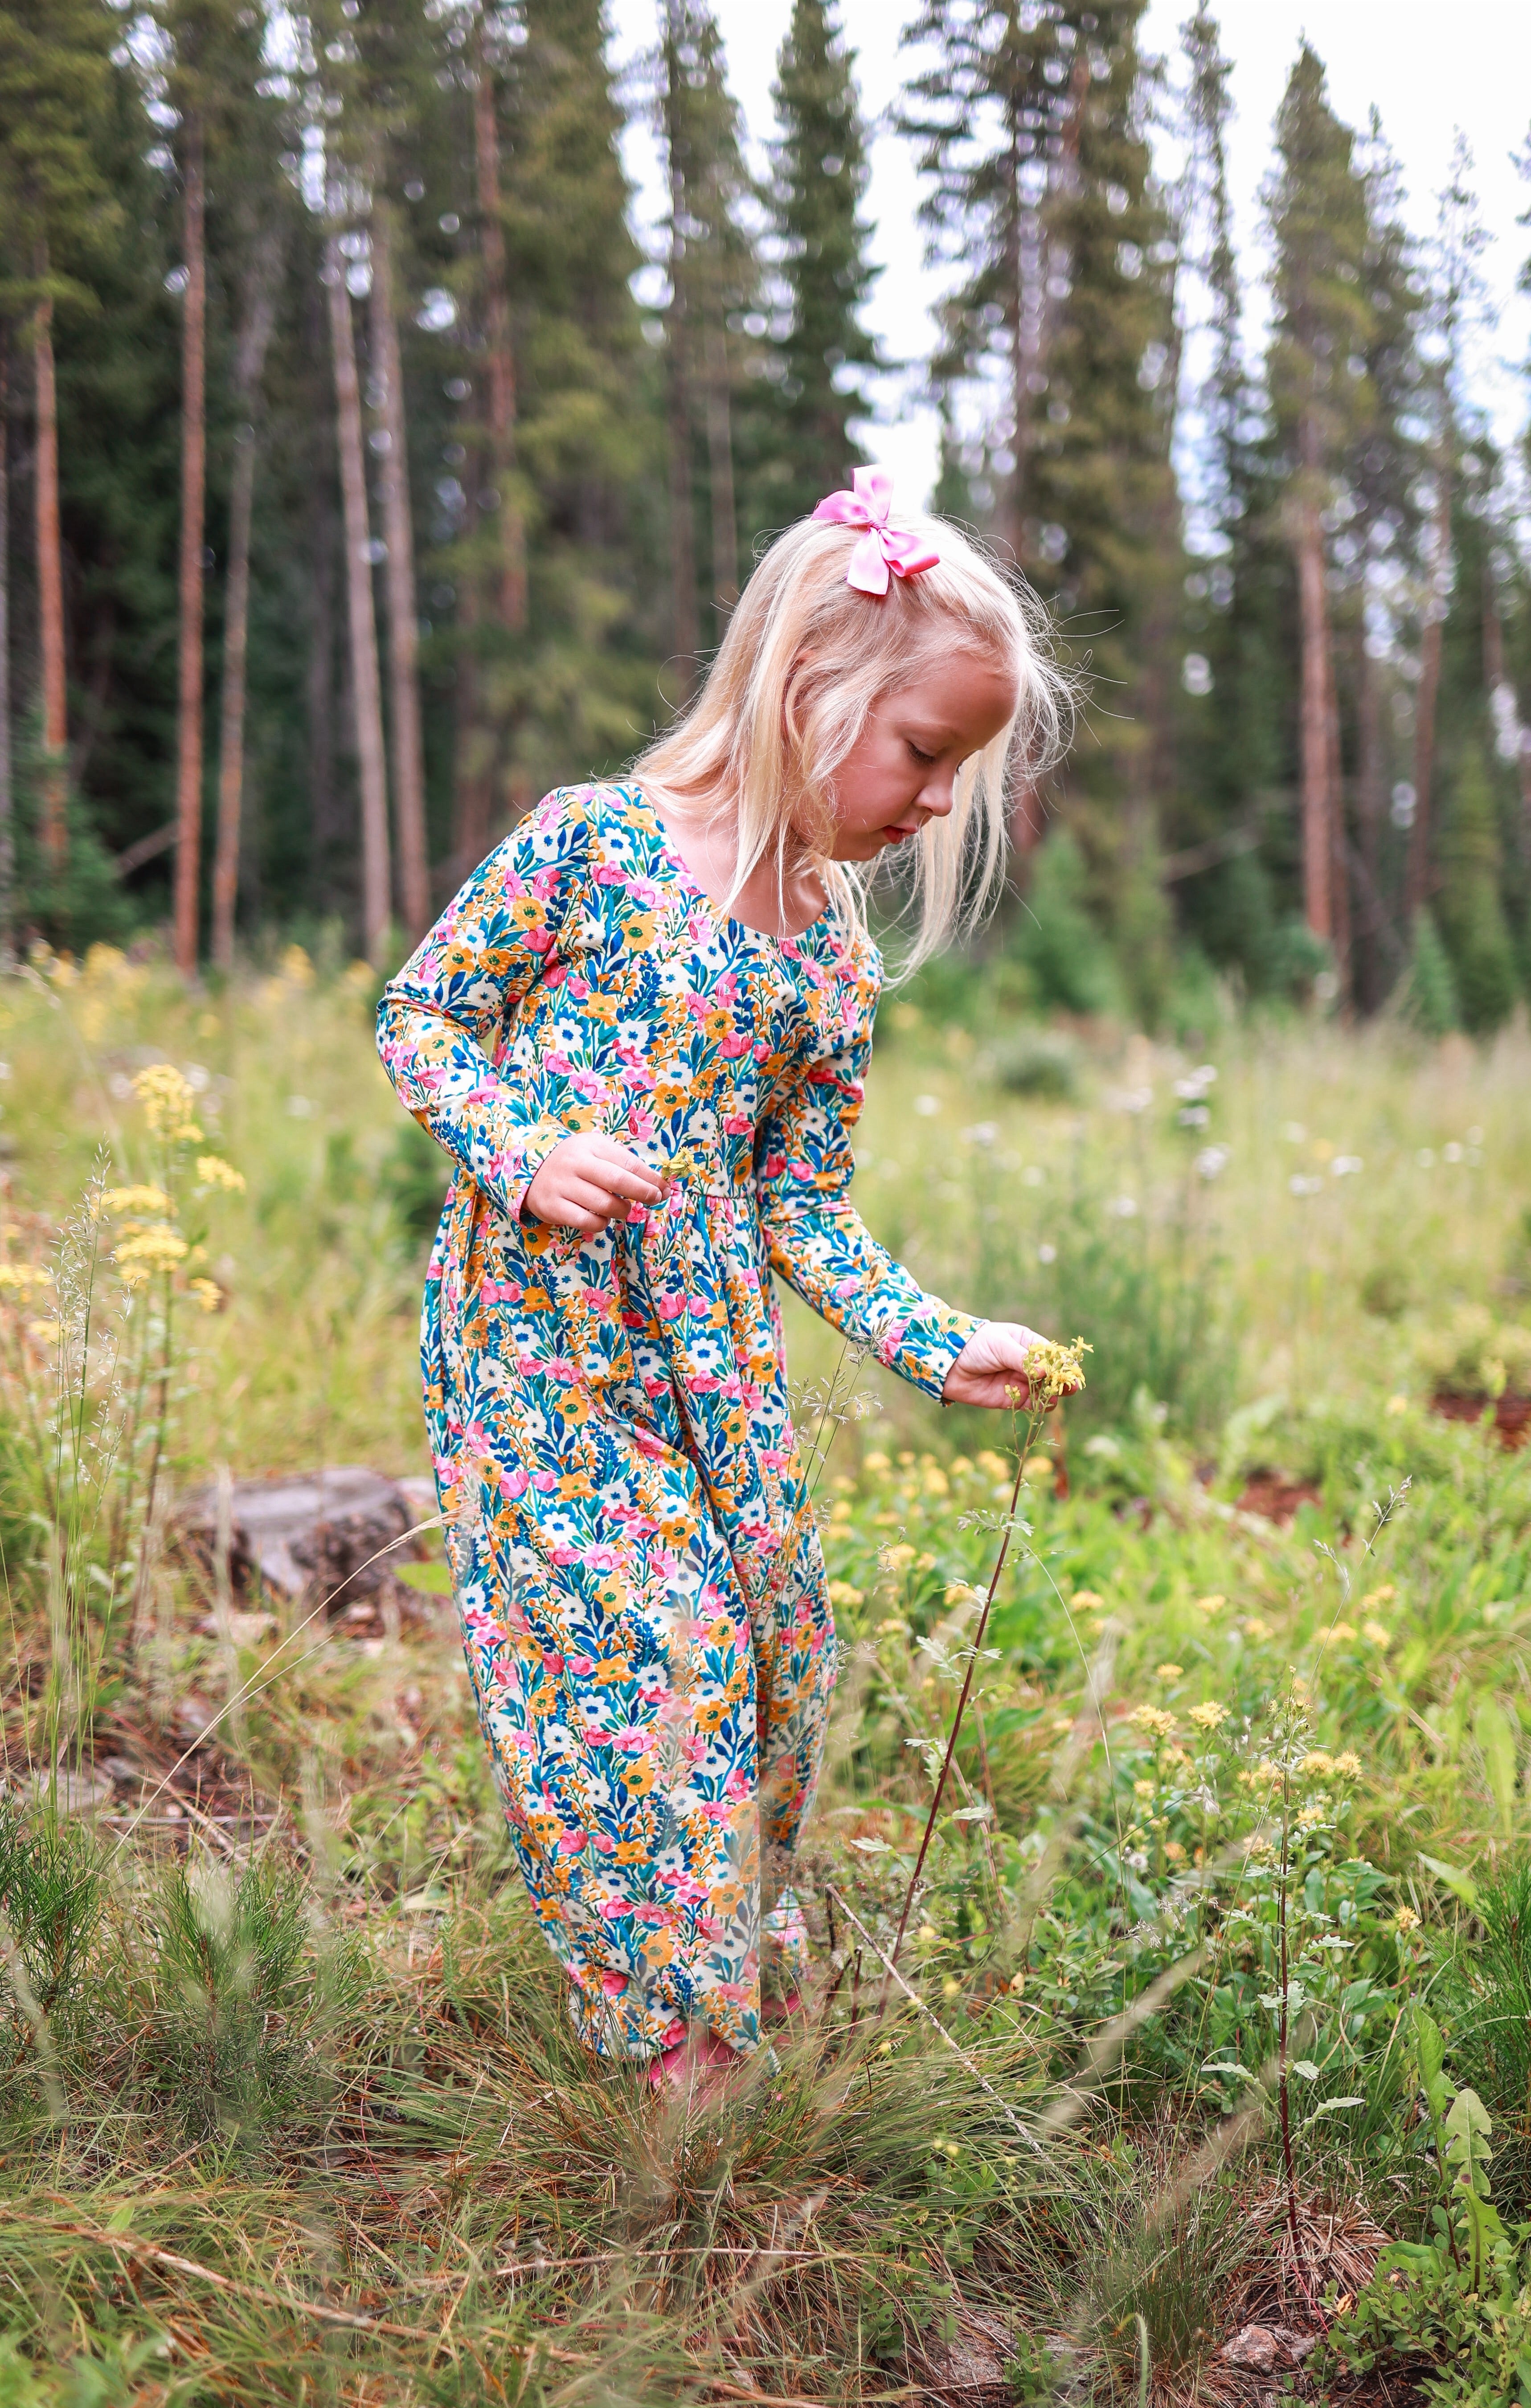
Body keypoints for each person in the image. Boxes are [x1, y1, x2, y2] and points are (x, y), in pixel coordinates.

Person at [377, 468, 1075, 2093]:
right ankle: (673, 2051)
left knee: (773, 1656)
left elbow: (800, 1207)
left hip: (713, 1367)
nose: (932, 806)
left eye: (956, 774)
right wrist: (520, 1141)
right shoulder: (589, 846)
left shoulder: (828, 952)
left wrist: (932, 1337)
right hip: (535, 1353)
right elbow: (422, 1019)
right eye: (921, 755)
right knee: (651, 1672)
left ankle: (732, 1970)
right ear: (807, 688)